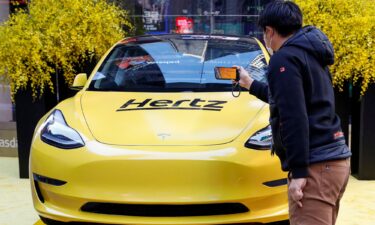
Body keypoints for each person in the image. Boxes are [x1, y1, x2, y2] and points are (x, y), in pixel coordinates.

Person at [236, 1, 352, 225]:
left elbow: (293, 117)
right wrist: (250, 84)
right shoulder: (311, 52)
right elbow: (292, 99)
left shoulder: (284, 58)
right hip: (335, 160)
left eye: (264, 33)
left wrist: (299, 173)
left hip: (315, 166)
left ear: (269, 31)